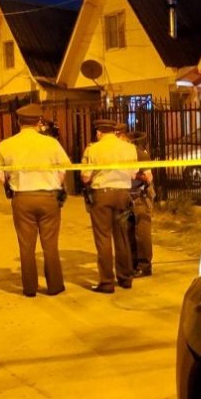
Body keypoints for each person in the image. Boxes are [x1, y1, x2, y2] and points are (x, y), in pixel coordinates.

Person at [0, 104, 71, 297]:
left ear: (18, 122)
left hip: (22, 198)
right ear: (38, 122)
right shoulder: (51, 143)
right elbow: (63, 170)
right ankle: (54, 286)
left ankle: (29, 288)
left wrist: (10, 182)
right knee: (50, 244)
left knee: (26, 245)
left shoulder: (6, 144)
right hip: (48, 197)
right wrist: (56, 185)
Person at [81, 119, 138, 293]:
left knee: (103, 238)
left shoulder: (92, 149)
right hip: (123, 196)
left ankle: (106, 281)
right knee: (122, 236)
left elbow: (85, 177)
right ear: (114, 131)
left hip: (102, 196)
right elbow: (134, 174)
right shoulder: (129, 148)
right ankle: (125, 278)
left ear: (99, 133)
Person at [119, 127, 154, 278]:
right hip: (127, 196)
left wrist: (134, 175)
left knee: (141, 233)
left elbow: (148, 178)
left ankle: (145, 266)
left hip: (140, 197)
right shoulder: (122, 153)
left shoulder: (139, 153)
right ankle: (134, 264)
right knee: (128, 232)